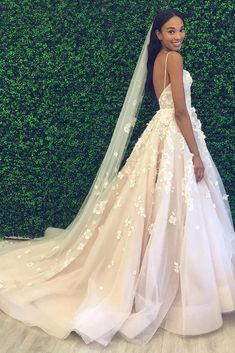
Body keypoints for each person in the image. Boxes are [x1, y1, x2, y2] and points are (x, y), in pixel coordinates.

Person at [0, 9, 234, 347]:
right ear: (158, 34)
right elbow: (180, 110)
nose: (178, 36)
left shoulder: (159, 61)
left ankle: (157, 277)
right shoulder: (174, 60)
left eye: (181, 30)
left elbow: (168, 106)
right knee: (180, 206)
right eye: (170, 31)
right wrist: (195, 154)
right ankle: (181, 290)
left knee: (159, 208)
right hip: (176, 137)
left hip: (161, 133)